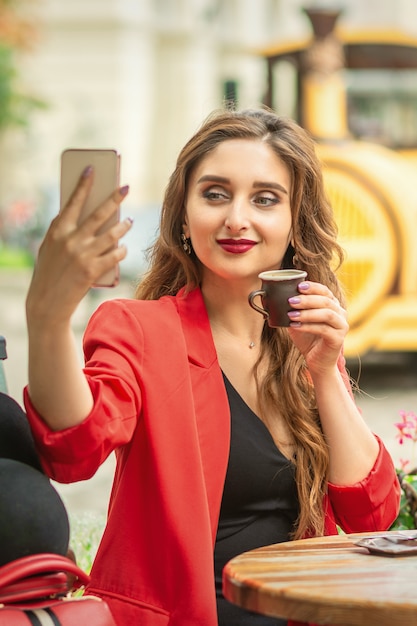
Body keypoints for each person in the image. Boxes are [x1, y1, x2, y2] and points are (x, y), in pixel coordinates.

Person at [23, 108, 400, 626]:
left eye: (265, 199)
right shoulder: (139, 329)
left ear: (294, 222)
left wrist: (325, 371)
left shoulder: (302, 342)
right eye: (215, 194)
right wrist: (49, 319)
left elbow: (371, 514)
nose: (236, 218)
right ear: (183, 213)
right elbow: (74, 448)